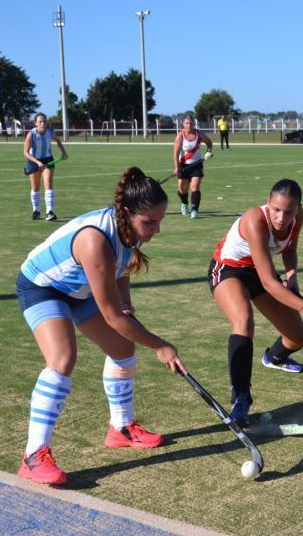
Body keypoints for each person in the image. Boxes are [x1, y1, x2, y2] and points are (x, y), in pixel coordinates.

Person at [15, 166, 186, 485]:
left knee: (122, 348)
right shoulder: (95, 241)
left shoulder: (130, 229)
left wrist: (125, 299)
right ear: (126, 213)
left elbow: (122, 268)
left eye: (160, 221)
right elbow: (112, 317)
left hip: (79, 287)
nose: (155, 230)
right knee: (62, 359)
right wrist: (160, 345)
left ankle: (121, 429)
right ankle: (33, 455)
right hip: (43, 286)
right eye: (150, 222)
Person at [208, 179, 303, 426]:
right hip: (229, 270)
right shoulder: (256, 220)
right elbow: (268, 282)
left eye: (288, 211)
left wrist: (292, 276)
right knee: (243, 321)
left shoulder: (297, 218)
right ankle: (241, 399)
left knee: (297, 338)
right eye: (276, 209)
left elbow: (289, 249)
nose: (281, 217)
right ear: (268, 201)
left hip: (259, 272)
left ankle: (274, 357)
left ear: (298, 208)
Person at [23, 113, 68, 221]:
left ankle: (50, 212)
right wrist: (37, 162)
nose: (43, 123)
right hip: (33, 161)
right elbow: (25, 152)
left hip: (48, 159)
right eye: (40, 121)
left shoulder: (50, 132)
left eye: (44, 121)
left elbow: (57, 141)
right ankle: (36, 210)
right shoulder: (31, 135)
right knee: (35, 187)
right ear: (35, 123)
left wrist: (63, 152)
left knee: (48, 183)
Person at [172, 115, 213, 219]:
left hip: (197, 164)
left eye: (190, 123)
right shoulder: (180, 136)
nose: (189, 125)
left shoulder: (199, 133)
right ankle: (184, 203)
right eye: (187, 123)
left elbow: (209, 143)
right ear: (183, 125)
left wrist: (208, 152)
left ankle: (195, 210)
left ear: (193, 124)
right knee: (182, 189)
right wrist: (177, 167)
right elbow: (176, 153)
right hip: (183, 165)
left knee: (195, 187)